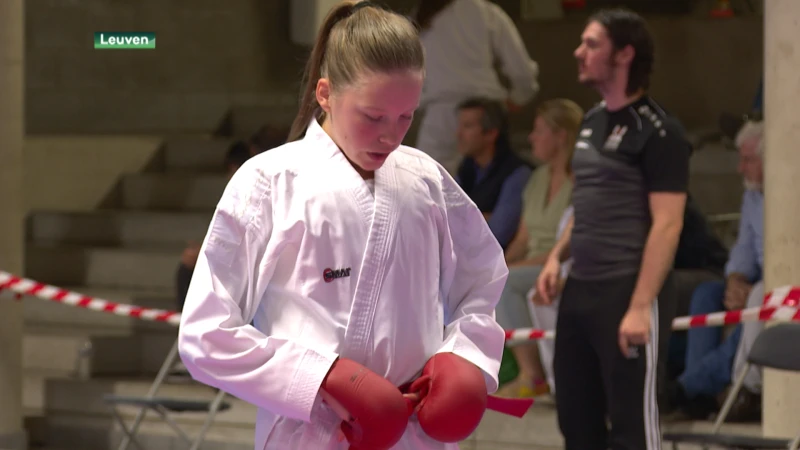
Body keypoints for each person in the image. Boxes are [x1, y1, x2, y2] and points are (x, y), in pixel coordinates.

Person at [177, 2, 508, 449]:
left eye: (406, 117)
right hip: (313, 433)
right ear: (325, 93)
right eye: (373, 117)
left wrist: (463, 358)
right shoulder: (269, 182)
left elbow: (481, 282)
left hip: (414, 433)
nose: (391, 136)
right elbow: (205, 335)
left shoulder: (427, 180)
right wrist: (322, 378)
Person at [537, 9, 691, 450]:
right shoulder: (590, 121)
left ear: (624, 54)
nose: (578, 52)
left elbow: (667, 225)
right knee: (576, 423)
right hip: (581, 290)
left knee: (632, 430)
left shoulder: (660, 132)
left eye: (591, 44)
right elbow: (586, 207)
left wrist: (641, 305)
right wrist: (556, 256)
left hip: (629, 289)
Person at [666, 119, 764, 422]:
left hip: (779, 282)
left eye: (748, 160)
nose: (740, 168)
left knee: (757, 302)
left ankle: (692, 387)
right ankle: (702, 397)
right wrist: (735, 280)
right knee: (707, 294)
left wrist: (749, 288)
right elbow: (744, 249)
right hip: (756, 277)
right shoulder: (753, 196)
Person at [493, 98, 583, 398]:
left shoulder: (582, 180)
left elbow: (567, 244)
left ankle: (532, 375)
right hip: (532, 264)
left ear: (561, 136)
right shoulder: (537, 178)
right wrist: (495, 266)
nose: (531, 137)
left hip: (564, 264)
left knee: (506, 283)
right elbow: (521, 239)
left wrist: (508, 272)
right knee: (490, 278)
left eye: (539, 130)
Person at [413, 0, 539, 174]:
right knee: (489, 187)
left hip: (439, 117)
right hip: (485, 113)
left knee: (428, 188)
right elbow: (522, 71)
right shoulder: (486, 12)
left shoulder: (420, 19)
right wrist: (520, 96)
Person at [453, 97, 532, 249]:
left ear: (490, 134)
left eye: (467, 126)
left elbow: (498, 233)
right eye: (460, 126)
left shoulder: (516, 173)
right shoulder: (466, 168)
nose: (458, 134)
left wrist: (465, 218)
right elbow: (444, 218)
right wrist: (483, 216)